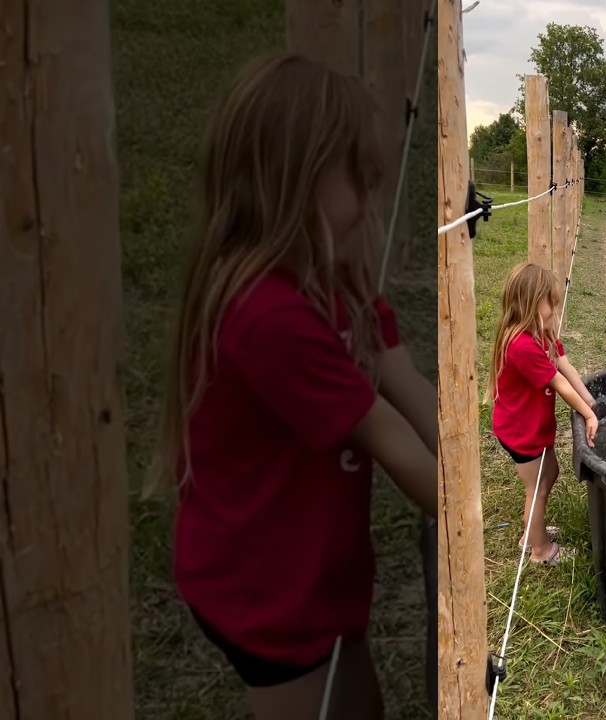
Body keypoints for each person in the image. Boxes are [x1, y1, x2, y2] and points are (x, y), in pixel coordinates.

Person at [145, 52, 437, 720]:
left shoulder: (327, 282)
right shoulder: (270, 318)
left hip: (310, 578)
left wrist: (468, 468)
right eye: (359, 183)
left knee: (359, 704)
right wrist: (481, 517)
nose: (370, 209)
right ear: (296, 180)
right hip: (269, 602)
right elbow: (394, 438)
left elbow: (404, 379)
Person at [487, 262, 598, 565]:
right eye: (550, 302)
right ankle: (539, 549)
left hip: (533, 427)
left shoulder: (541, 333)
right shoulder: (522, 346)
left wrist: (590, 401)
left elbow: (566, 366)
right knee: (536, 489)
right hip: (521, 433)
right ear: (531, 301)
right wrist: (587, 415)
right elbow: (560, 383)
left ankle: (532, 531)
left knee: (549, 475)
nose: (554, 310)